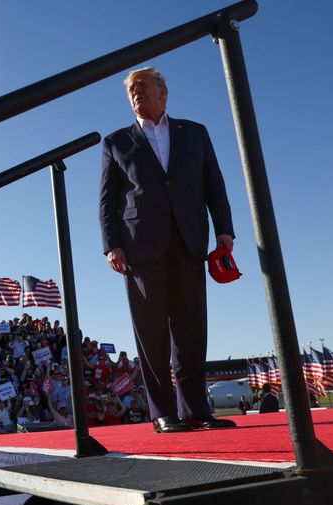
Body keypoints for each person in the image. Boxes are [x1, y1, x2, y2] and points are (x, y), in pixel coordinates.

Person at [99, 67, 237, 433]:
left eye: (142, 88)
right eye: (131, 92)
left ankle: (195, 410)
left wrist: (225, 229)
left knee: (192, 328)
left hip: (190, 239)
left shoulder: (194, 132)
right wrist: (111, 245)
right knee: (152, 332)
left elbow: (214, 184)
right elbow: (107, 201)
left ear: (163, 93)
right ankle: (163, 413)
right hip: (139, 246)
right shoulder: (115, 141)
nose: (136, 95)